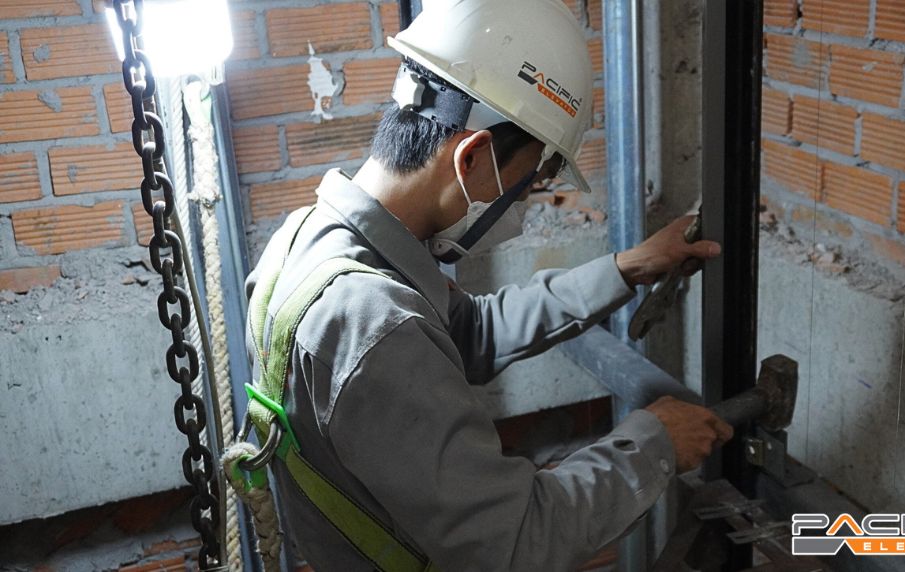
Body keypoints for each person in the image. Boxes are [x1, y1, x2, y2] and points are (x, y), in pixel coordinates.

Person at [244, 0, 732, 569]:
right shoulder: (375, 323)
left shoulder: (304, 242)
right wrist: (656, 444)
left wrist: (627, 268)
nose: (523, 203)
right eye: (529, 183)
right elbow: (518, 540)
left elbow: (471, 330)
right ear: (472, 157)